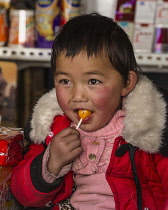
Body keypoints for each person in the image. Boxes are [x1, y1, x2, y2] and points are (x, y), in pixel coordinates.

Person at [11, 13, 168, 210]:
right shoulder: (52, 128)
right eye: (65, 81)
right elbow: (23, 196)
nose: (77, 96)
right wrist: (52, 163)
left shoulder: (147, 131)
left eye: (93, 81)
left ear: (126, 83)